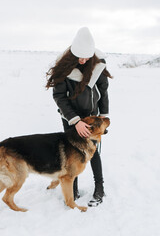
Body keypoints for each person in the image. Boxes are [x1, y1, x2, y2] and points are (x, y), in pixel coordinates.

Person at [45, 27, 112, 207]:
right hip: (71, 117)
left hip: (92, 116)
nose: (83, 60)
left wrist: (103, 116)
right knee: (72, 153)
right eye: (79, 57)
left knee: (93, 152)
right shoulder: (63, 66)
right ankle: (72, 189)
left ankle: (100, 188)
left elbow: (103, 93)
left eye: (86, 57)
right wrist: (74, 121)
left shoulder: (98, 65)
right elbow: (59, 97)